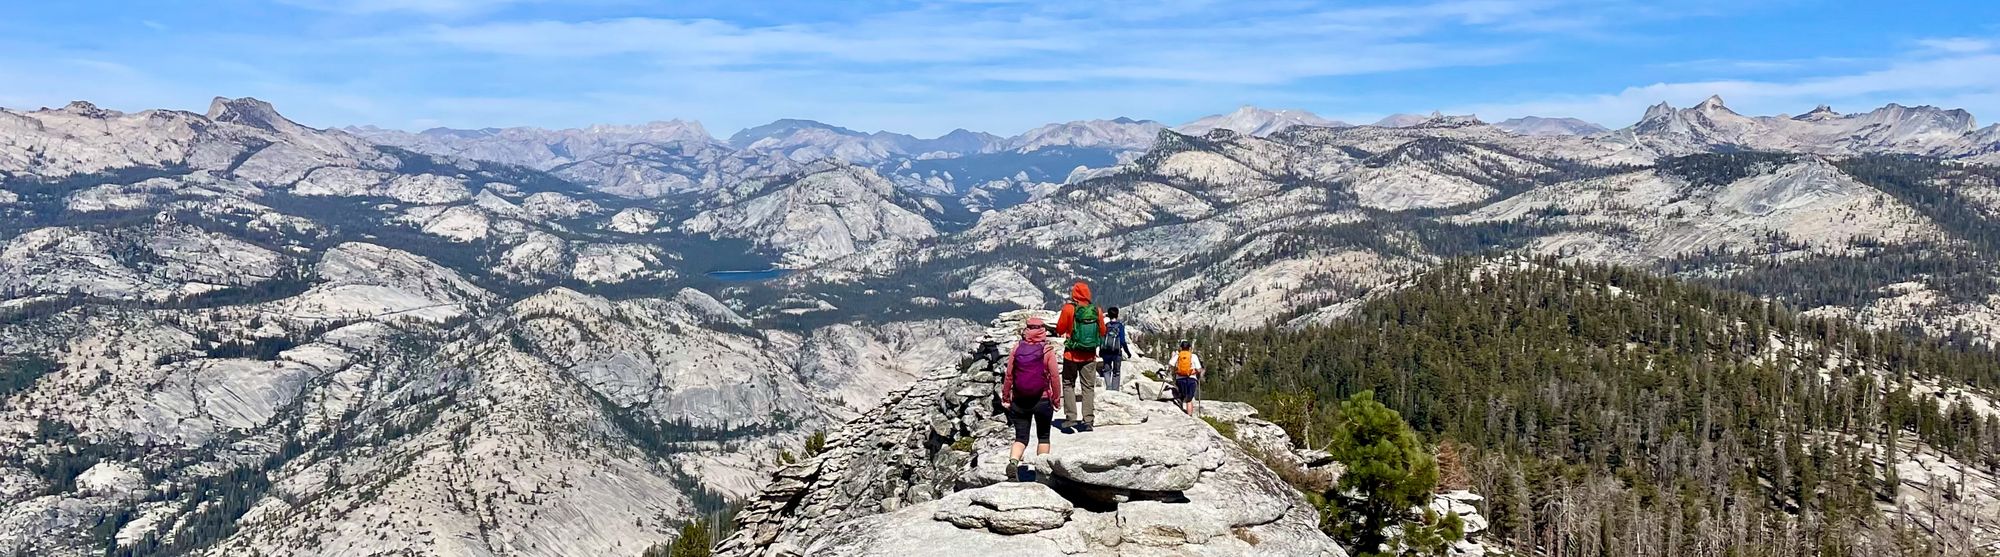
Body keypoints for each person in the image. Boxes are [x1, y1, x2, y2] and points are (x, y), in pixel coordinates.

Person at [1002, 316, 1061, 481]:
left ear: (1026, 330)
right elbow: (1055, 377)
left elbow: (1009, 375)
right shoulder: (1047, 351)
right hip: (1042, 400)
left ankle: (1013, 463)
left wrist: (1006, 397)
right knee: (1043, 436)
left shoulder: (1017, 348)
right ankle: (1041, 474)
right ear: (1042, 330)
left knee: (1021, 437)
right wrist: (1056, 400)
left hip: (1020, 400)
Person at [1054, 281, 1106, 433]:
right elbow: (1102, 331)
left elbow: (1059, 328)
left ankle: (1071, 417)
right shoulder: (1096, 310)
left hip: (1071, 354)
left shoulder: (1069, 309)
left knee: (1068, 384)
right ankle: (1088, 420)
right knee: (1088, 387)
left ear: (1074, 294)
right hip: (1089, 356)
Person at [1098, 306, 1133, 392]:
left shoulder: (1106, 326)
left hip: (1106, 352)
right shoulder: (1120, 326)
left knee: (1106, 370)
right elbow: (1122, 341)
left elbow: (1101, 339)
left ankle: (1108, 388)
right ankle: (1115, 390)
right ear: (1117, 315)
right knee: (1116, 372)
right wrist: (1128, 353)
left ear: (1109, 316)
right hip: (1116, 353)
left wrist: (1100, 351)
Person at [1170, 339, 1204, 416]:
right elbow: (1199, 369)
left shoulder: (1178, 355)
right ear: (1189, 348)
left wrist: (1176, 371)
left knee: (1181, 396)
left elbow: (1171, 364)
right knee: (1189, 399)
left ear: (1181, 348)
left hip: (1180, 379)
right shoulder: (1193, 356)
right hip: (1191, 379)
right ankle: (1189, 416)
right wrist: (1194, 372)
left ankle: (1180, 412)